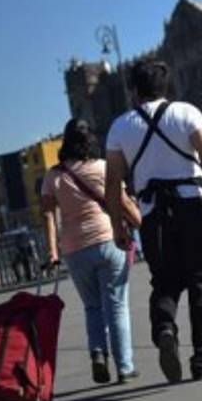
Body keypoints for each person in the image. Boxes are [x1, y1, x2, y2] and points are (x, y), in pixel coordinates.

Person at [103, 60, 202, 384]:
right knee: (201, 280)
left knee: (165, 280)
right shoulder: (186, 112)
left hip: (153, 214)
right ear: (165, 87)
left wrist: (117, 226)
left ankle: (165, 326)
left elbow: (112, 184)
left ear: (134, 91)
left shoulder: (120, 127)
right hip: (193, 204)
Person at [42, 118, 140, 384]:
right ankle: (125, 367)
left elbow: (49, 215)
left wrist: (53, 251)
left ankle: (98, 353)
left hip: (74, 251)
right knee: (116, 307)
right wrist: (145, 225)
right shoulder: (103, 168)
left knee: (92, 307)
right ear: (91, 141)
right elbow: (123, 202)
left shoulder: (53, 176)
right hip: (108, 241)